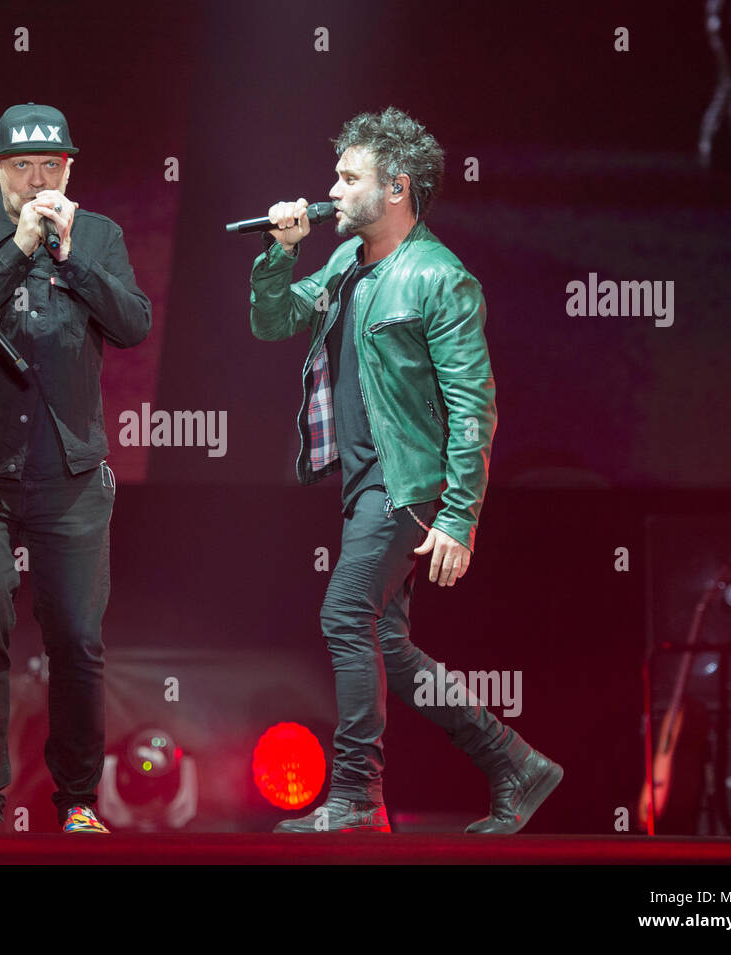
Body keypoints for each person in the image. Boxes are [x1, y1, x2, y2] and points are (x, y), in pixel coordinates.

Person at [249, 107, 562, 834]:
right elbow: (273, 321)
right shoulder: (347, 261)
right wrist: (276, 254)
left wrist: (458, 515)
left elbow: (473, 406)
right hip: (363, 486)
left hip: (407, 489)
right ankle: (514, 761)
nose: (331, 187)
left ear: (395, 187)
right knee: (384, 641)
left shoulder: (438, 277)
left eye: (347, 176)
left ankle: (357, 797)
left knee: (343, 616)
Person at [0, 103, 151, 834]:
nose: (37, 178)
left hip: (73, 467)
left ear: (69, 169)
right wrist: (17, 249)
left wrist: (66, 254)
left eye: (50, 164)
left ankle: (80, 800)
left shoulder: (99, 236)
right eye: (21, 165)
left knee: (78, 638)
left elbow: (132, 324)